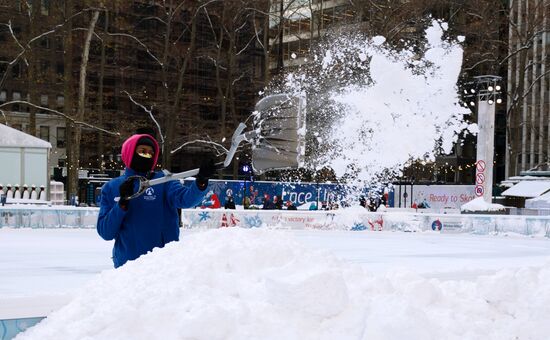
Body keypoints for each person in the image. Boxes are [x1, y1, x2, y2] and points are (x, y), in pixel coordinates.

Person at [96, 133, 215, 268]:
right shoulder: (112, 188)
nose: (147, 156)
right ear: (130, 153)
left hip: (163, 266)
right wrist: (122, 203)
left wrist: (201, 182)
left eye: (151, 153)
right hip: (128, 269)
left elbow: (186, 199)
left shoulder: (164, 181)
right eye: (142, 151)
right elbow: (106, 232)